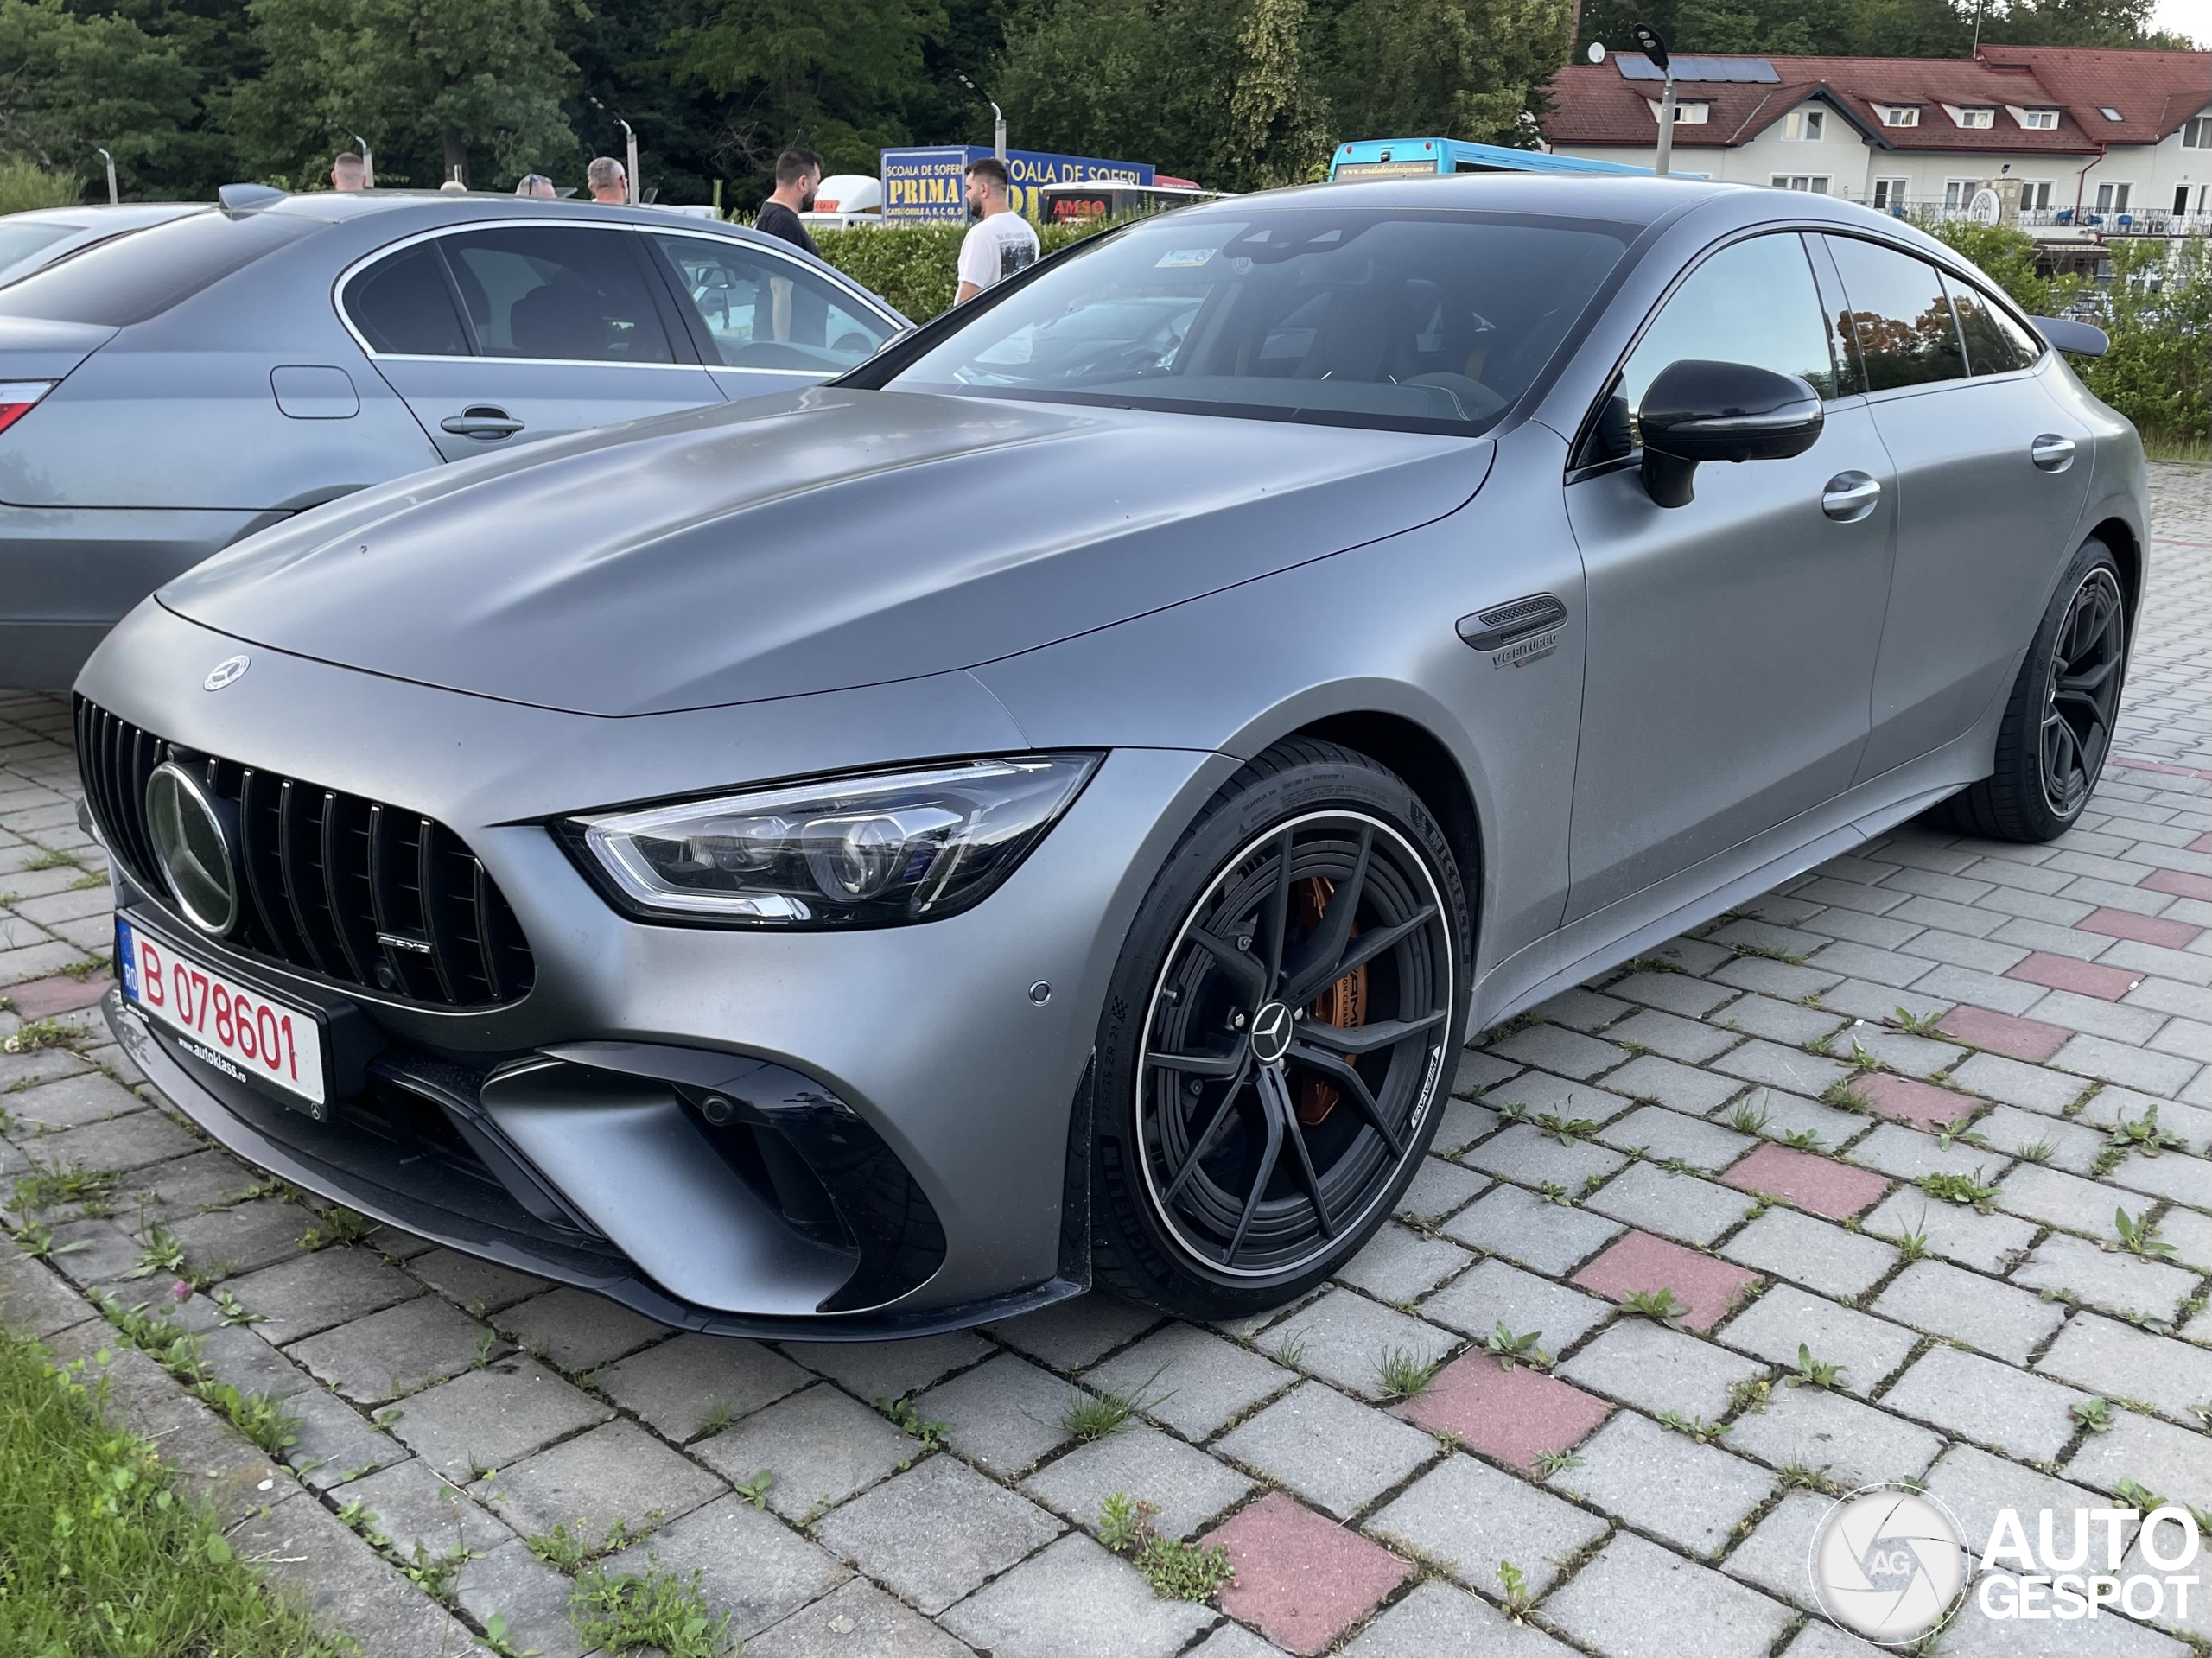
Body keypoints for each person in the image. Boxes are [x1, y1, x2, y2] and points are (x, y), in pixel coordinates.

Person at [955, 156, 1039, 304]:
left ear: (984, 189)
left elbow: (967, 299)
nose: (967, 195)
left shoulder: (981, 234)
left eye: (969, 188)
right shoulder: (1028, 232)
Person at [753, 148, 823, 256]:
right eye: (816, 182)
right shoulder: (783, 224)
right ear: (803, 182)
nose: (817, 189)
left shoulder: (771, 214)